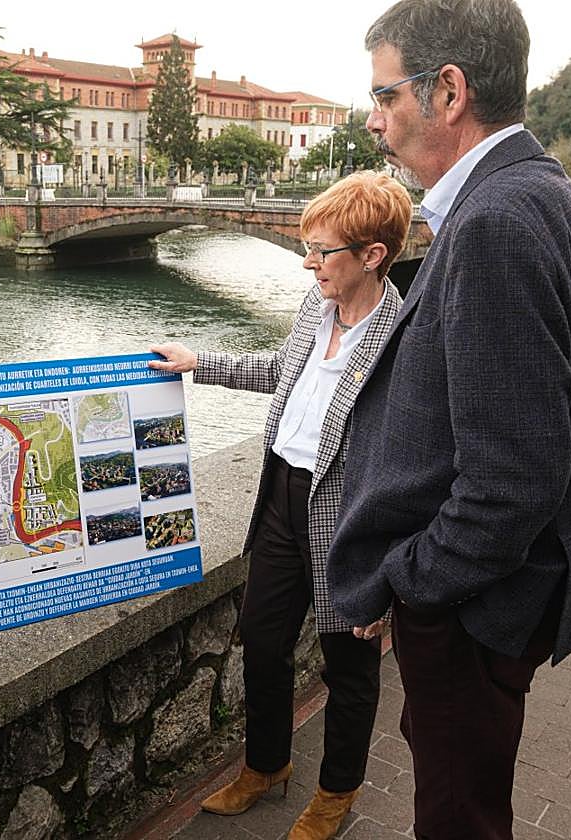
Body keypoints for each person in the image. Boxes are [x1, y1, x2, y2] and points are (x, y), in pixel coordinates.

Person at [327, 2, 571, 839]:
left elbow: (513, 478)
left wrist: (416, 584)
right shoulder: (544, 191)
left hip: (474, 605)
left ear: (449, 91)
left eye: (385, 96)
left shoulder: (495, 221)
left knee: (458, 817)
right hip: (499, 596)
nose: (374, 119)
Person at [150, 171, 414, 840]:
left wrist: (385, 575)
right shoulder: (313, 306)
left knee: (348, 665)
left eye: (322, 250)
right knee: (263, 646)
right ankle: (266, 767)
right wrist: (196, 362)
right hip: (281, 499)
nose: (307, 262)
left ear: (372, 255)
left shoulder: (404, 335)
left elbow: (409, 462)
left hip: (349, 519)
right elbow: (279, 371)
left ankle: (335, 793)